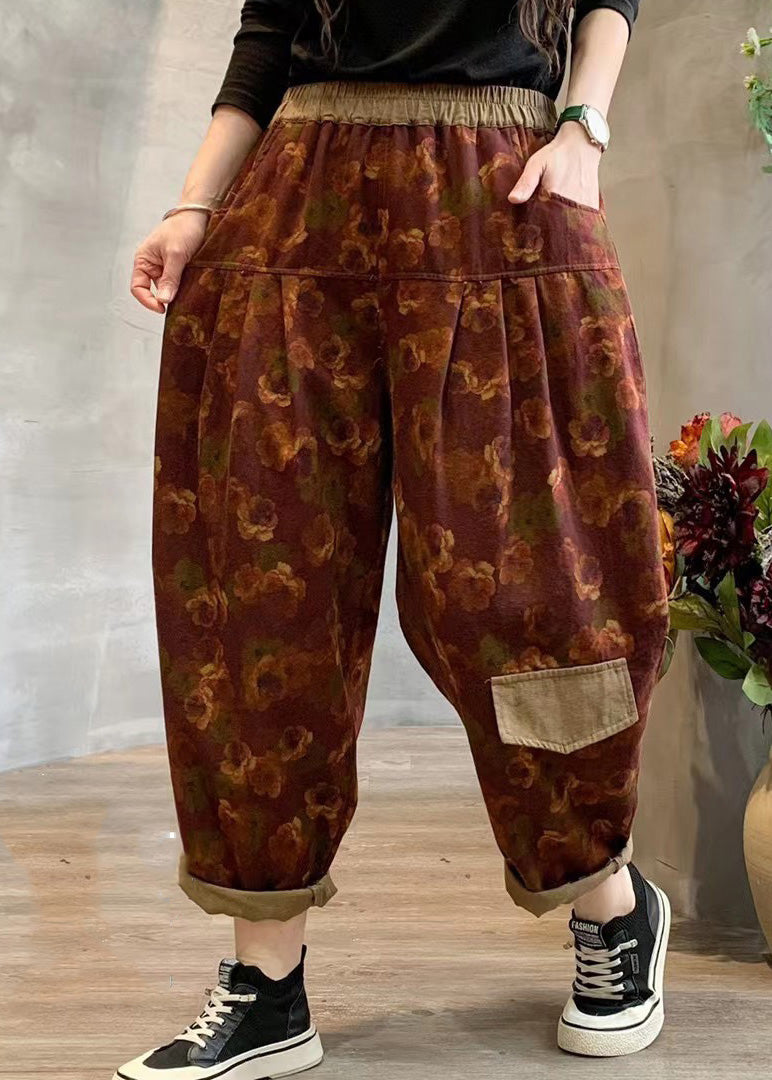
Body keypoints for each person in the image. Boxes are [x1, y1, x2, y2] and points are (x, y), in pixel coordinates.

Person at [121, 1, 671, 1074]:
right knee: (263, 589)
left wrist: (584, 127)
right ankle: (265, 981)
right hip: (297, 200)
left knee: (530, 591)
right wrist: (195, 205)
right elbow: (269, 32)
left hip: (500, 186)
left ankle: (607, 900)